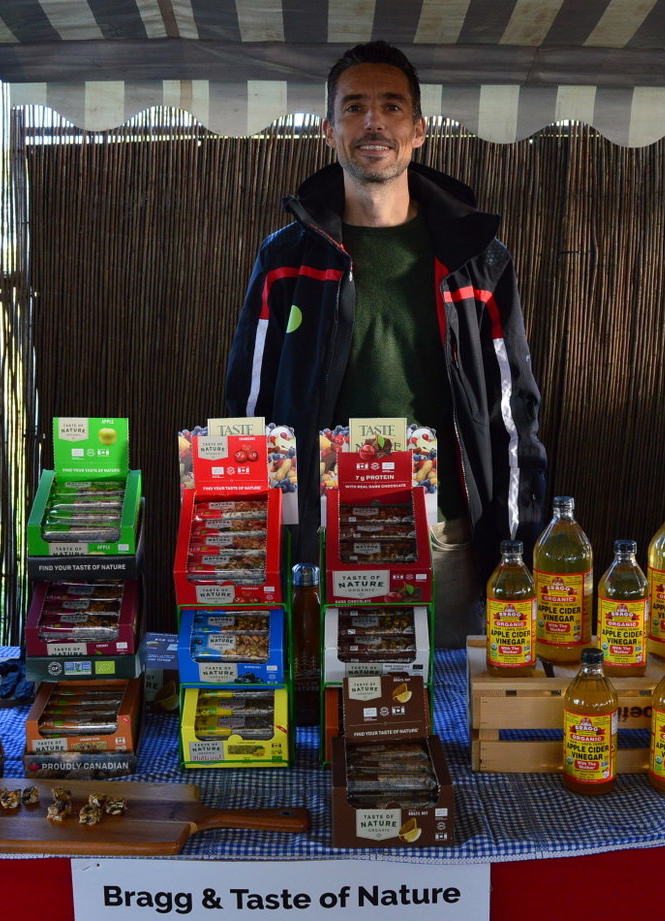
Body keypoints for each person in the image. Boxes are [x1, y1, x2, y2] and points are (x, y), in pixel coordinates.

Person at [224, 41, 547, 647]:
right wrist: (255, 538)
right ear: (328, 131)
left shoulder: (476, 259)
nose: (373, 121)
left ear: (419, 130)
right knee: (331, 694)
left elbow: (513, 413)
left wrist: (516, 538)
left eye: (392, 107)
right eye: (354, 107)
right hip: (324, 532)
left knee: (448, 691)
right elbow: (249, 409)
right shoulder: (287, 259)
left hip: (445, 531)